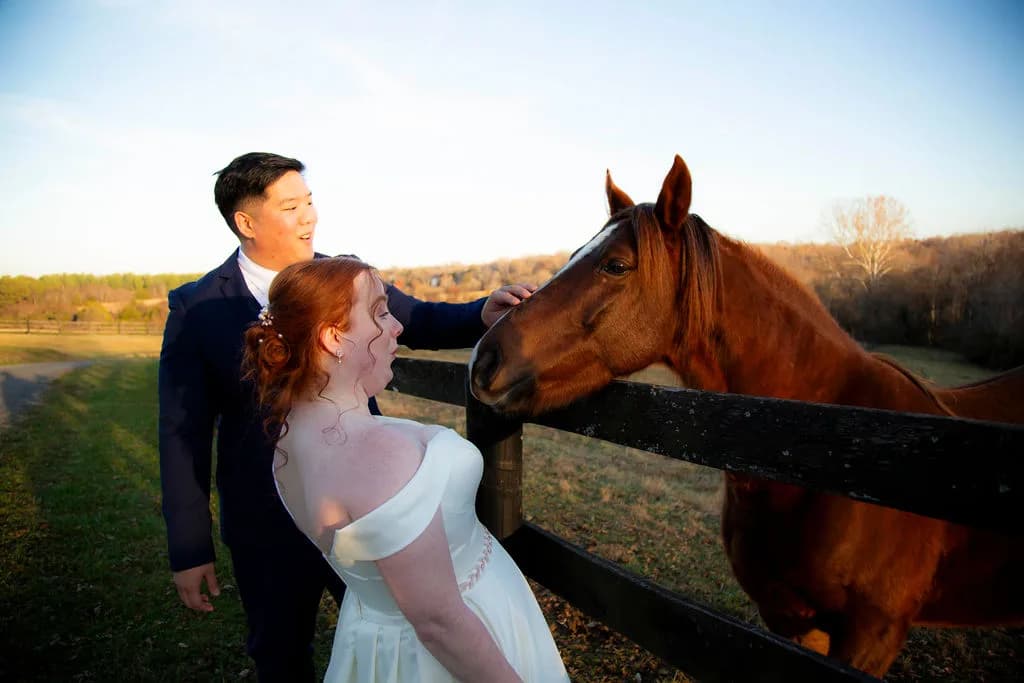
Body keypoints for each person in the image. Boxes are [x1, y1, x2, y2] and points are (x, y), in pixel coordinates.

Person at [158, 152, 535, 681]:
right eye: (291, 206)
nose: (310, 217)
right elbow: (182, 434)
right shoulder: (197, 308)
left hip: (370, 510)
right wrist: (189, 547)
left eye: (309, 201)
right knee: (280, 653)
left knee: (397, 631)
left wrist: (479, 313)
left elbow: (419, 319)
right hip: (267, 520)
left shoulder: (343, 279)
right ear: (246, 222)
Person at [241, 256, 569, 682]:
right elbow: (439, 621)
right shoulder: (377, 456)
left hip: (375, 639)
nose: (396, 326)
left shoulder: (289, 439)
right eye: (379, 311)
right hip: (455, 649)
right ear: (333, 337)